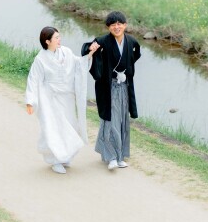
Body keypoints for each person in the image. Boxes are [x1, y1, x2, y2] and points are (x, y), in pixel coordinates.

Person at [26, 27, 92, 174]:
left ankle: (65, 156)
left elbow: (78, 64)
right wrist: (30, 101)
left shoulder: (66, 52)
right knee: (53, 128)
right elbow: (33, 80)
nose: (59, 39)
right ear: (47, 41)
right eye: (56, 38)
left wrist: (89, 55)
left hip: (67, 98)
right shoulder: (40, 59)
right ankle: (55, 160)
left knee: (70, 126)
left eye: (59, 37)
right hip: (50, 100)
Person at [82, 11, 141, 171]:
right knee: (110, 120)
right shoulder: (103, 41)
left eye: (119, 23)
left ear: (125, 25)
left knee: (122, 119)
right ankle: (111, 157)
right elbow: (86, 50)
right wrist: (92, 49)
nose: (117, 27)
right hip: (108, 87)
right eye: (113, 24)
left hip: (124, 86)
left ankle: (120, 155)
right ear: (108, 27)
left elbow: (136, 53)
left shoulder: (131, 41)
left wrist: (125, 70)